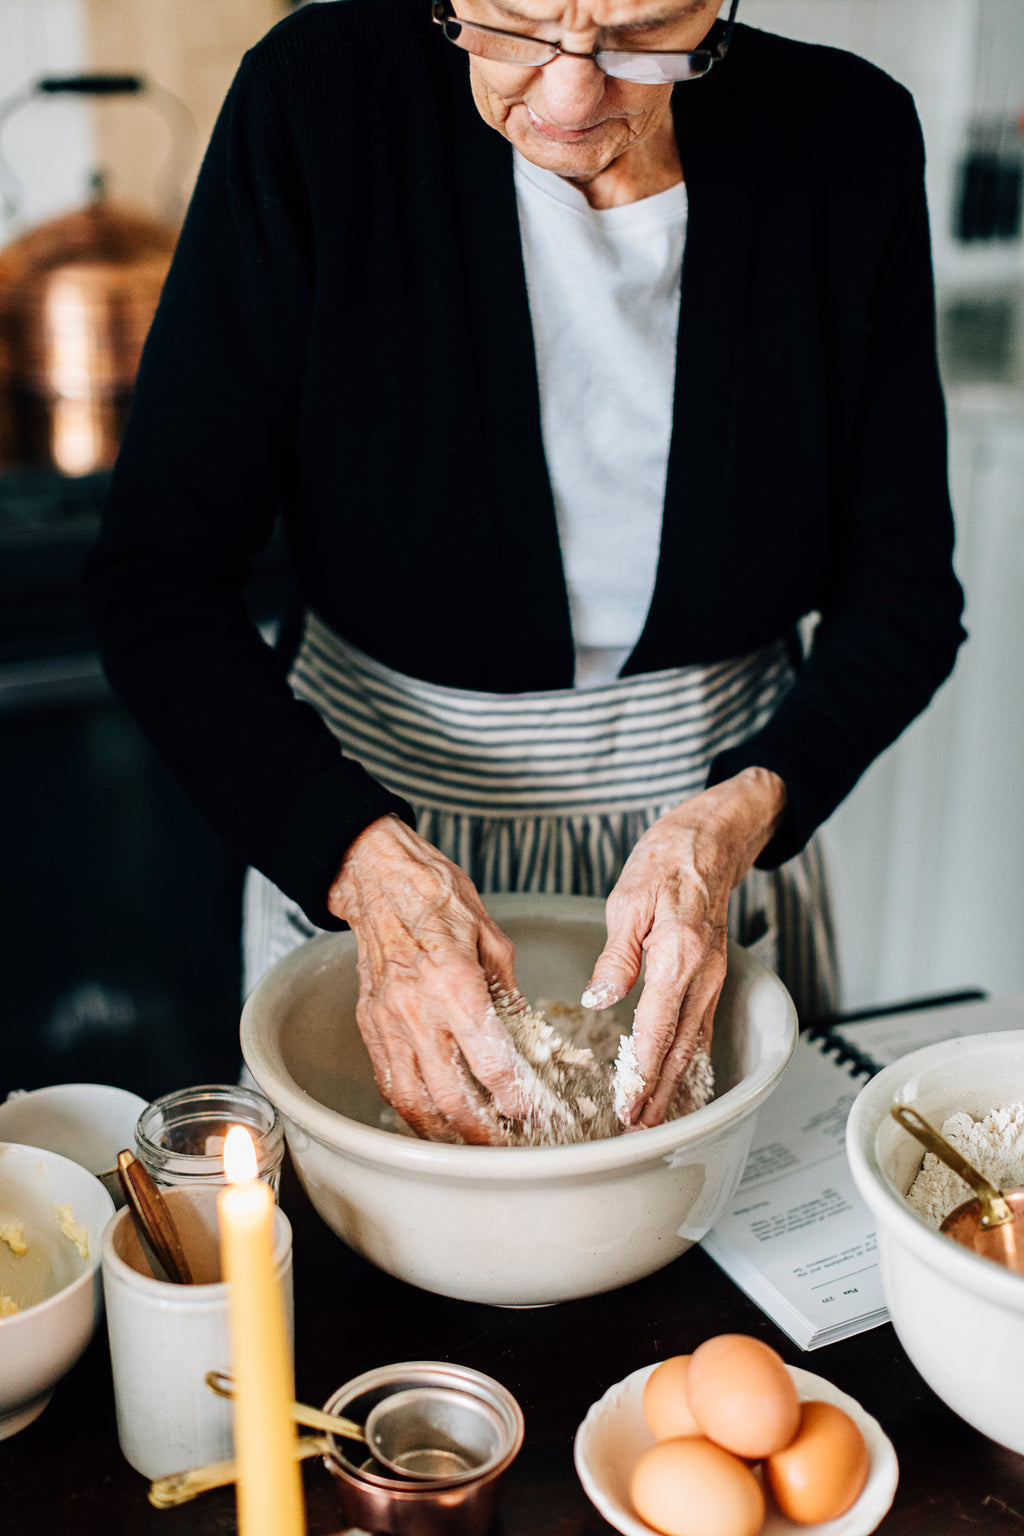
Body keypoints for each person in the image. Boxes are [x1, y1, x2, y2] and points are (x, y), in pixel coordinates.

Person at [85, 0, 965, 1145]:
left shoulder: (846, 135)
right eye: (515, 25)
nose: (568, 96)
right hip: (370, 833)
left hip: (713, 864)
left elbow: (903, 598)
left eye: (642, 35)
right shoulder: (317, 101)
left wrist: (735, 822)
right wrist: (360, 867)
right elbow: (156, 578)